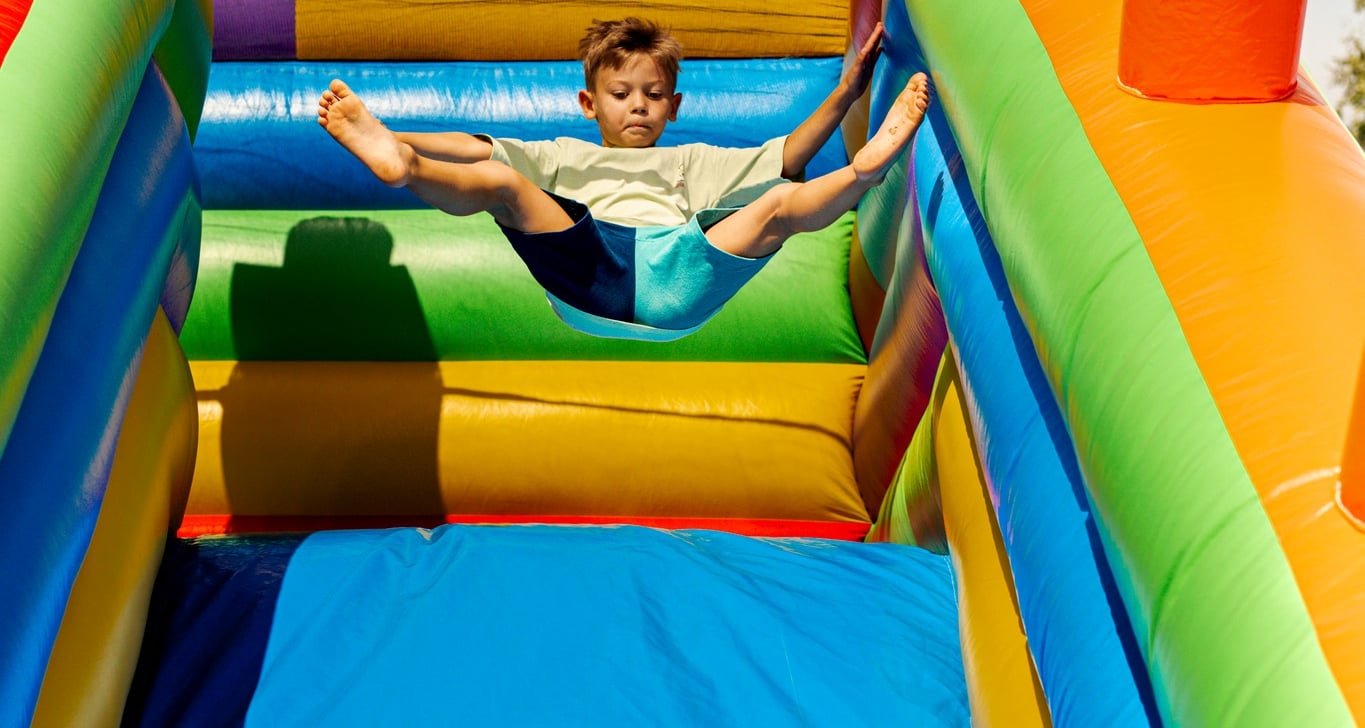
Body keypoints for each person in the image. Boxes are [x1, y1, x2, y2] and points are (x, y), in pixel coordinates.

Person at [317, 17, 930, 341]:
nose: (638, 105)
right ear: (590, 103)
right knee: (503, 182)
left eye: (654, 94)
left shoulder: (694, 163)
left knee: (778, 204)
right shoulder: (561, 156)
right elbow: (476, 145)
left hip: (676, 274)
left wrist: (849, 90)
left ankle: (863, 171)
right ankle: (404, 170)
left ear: (674, 106)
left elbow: (789, 151)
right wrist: (396, 137)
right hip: (589, 269)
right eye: (620, 93)